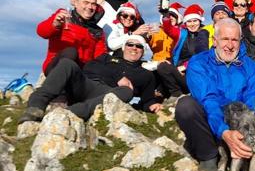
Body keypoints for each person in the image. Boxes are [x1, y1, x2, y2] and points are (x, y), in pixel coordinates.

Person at [174, 19, 255, 171]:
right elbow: (208, 100)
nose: (230, 45)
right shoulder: (198, 63)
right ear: (215, 41)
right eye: (225, 39)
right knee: (186, 106)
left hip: (240, 122)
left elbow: (253, 100)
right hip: (212, 120)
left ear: (240, 41)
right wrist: (223, 132)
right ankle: (208, 156)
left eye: (234, 40)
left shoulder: (251, 66)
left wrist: (254, 129)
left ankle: (248, 158)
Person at [19, 35, 161, 123]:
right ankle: (36, 106)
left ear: (143, 51)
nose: (134, 48)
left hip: (108, 95)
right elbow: (89, 68)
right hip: (86, 85)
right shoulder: (107, 58)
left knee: (126, 91)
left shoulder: (145, 74)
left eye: (139, 46)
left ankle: (71, 113)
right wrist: (118, 76)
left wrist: (152, 106)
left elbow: (147, 99)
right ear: (124, 48)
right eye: (130, 44)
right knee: (68, 63)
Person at [37, 0, 107, 75]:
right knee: (71, 52)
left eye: (93, 4)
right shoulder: (64, 17)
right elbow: (41, 32)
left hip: (81, 72)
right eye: (86, 2)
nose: (90, 7)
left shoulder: (97, 31)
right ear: (76, 3)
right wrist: (55, 24)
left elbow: (99, 57)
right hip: (57, 65)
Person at [157, 4, 209, 98]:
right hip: (179, 74)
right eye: (189, 21)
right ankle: (176, 94)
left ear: (200, 21)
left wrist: (185, 67)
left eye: (195, 21)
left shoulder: (205, 34)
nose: (192, 24)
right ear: (185, 23)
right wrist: (165, 15)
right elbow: (168, 29)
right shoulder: (182, 33)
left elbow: (203, 57)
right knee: (163, 66)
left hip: (195, 76)